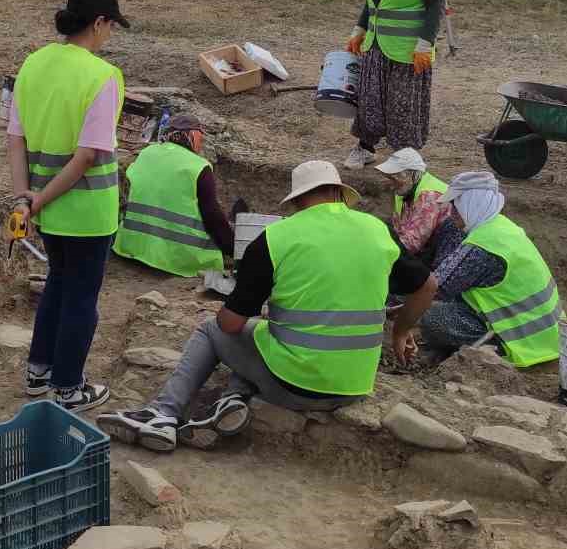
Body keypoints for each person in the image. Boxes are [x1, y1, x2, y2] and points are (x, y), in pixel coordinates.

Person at [98, 160, 438, 452]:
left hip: (297, 387)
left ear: (297, 201)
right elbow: (428, 286)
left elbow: (229, 325)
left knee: (213, 330)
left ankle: (162, 413)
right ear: (339, 193)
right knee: (263, 339)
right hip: (354, 386)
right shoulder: (378, 230)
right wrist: (401, 330)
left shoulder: (278, 237)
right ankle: (230, 400)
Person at [7, 0, 130, 412]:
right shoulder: (102, 76)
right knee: (81, 297)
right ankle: (68, 388)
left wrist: (25, 198)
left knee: (58, 285)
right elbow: (85, 158)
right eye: (111, 25)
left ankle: (38, 373)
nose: (110, 34)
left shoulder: (33, 63)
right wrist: (37, 201)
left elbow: (15, 140)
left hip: (45, 211)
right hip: (88, 213)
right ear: (98, 23)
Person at [409, 171, 562, 367]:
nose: (451, 212)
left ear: (472, 203)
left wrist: (399, 309)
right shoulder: (500, 226)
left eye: (456, 206)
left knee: (434, 318)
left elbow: (435, 288)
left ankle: (491, 348)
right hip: (546, 334)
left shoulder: (483, 246)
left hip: (521, 341)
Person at [342, 0, 447, 169]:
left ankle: (406, 160)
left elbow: (436, 6)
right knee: (369, 102)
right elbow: (372, 0)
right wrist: (359, 30)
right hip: (376, 46)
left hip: (408, 52)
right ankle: (365, 148)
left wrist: (425, 45)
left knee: (404, 108)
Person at [112, 113, 237, 276]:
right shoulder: (198, 166)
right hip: (179, 258)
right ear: (191, 135)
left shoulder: (147, 153)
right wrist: (232, 248)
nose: (201, 143)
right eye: (200, 136)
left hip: (132, 247)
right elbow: (212, 216)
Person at [374, 148, 450, 261]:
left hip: (442, 252)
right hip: (429, 247)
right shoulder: (405, 190)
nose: (391, 184)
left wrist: (376, 251)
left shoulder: (429, 196)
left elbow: (412, 243)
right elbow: (400, 230)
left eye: (395, 178)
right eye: (389, 178)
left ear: (413, 174)